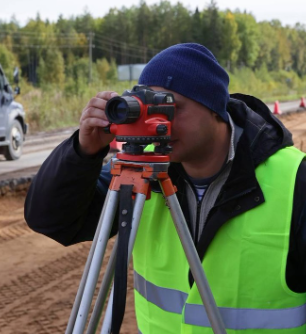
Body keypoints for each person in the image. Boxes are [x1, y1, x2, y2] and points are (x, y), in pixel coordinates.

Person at [24, 43, 306, 333]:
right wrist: (83, 152)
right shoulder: (140, 173)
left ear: (213, 108)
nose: (160, 125)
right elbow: (51, 219)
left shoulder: (295, 181)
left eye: (170, 108)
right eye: (148, 110)